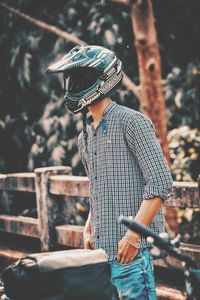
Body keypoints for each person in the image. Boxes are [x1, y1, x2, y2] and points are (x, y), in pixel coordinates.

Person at [46, 45, 173, 300]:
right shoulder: (85, 136)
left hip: (132, 254)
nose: (73, 84)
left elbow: (160, 182)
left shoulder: (131, 122)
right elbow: (98, 187)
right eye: (70, 78)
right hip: (102, 255)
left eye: (80, 77)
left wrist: (134, 236)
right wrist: (89, 226)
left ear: (103, 77)